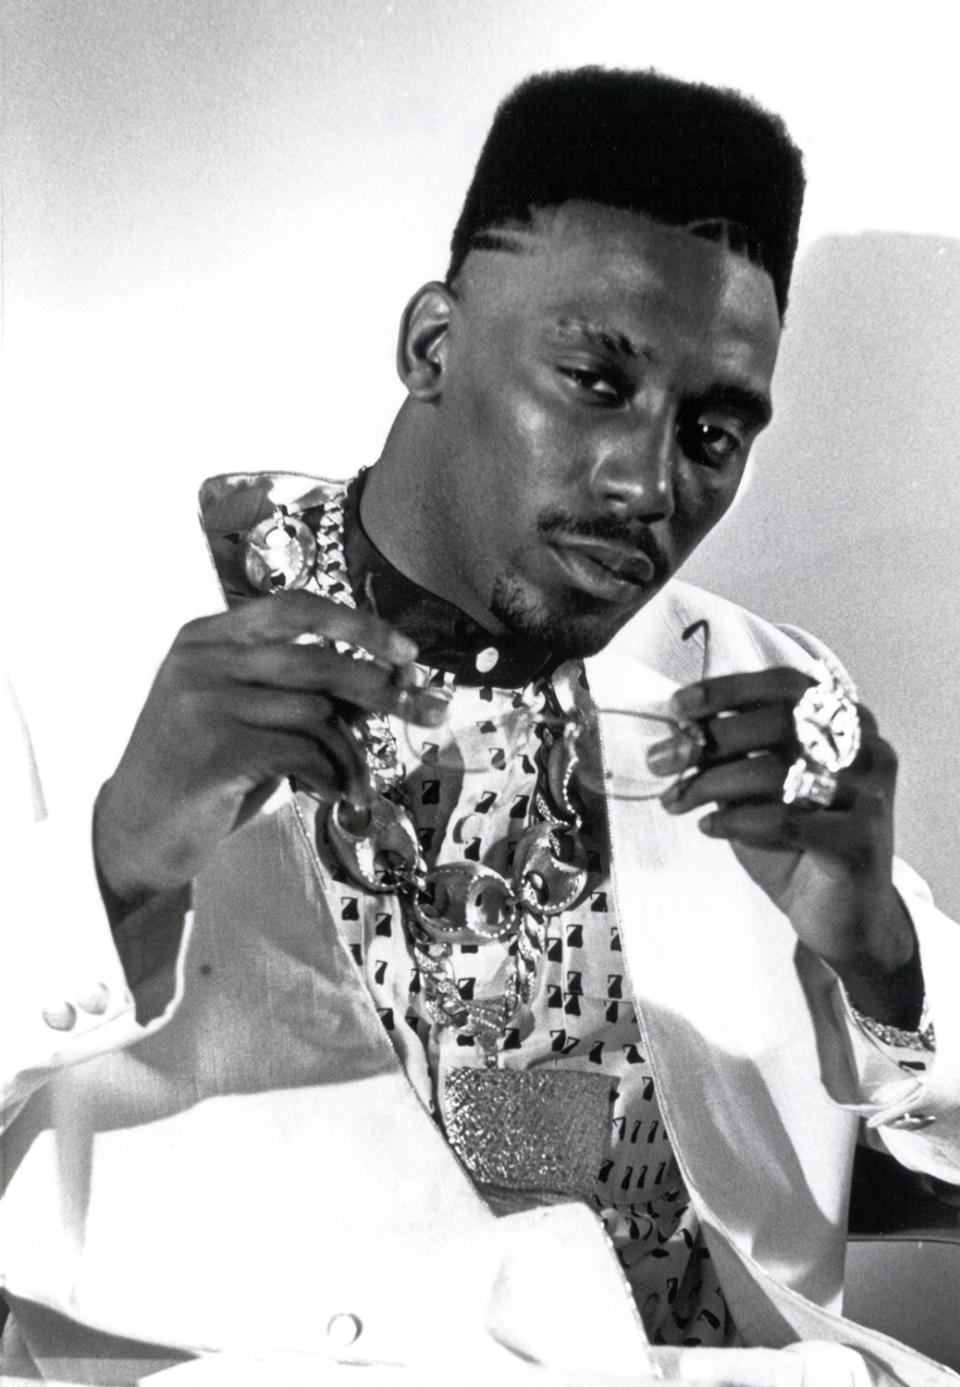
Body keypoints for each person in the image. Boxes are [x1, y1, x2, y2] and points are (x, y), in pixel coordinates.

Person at [2, 67, 959, 1387]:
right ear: (433, 346)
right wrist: (111, 862)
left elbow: (937, 1152)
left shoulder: (764, 694)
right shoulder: (71, 652)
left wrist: (885, 963)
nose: (646, 486)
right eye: (594, 382)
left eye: (717, 430)